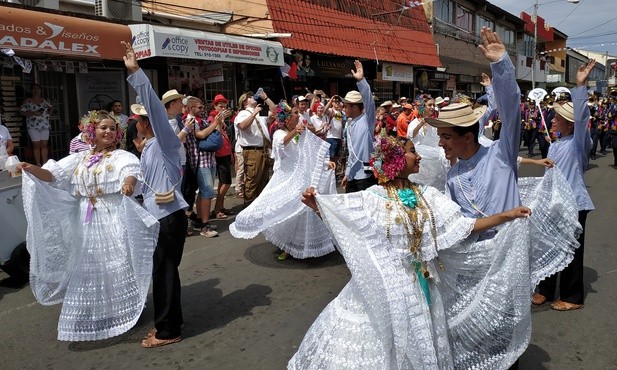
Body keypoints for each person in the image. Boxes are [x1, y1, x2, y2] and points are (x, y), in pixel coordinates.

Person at [289, 133, 577, 369]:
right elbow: (343, 220)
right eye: (413, 151)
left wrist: (506, 215)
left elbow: (463, 226)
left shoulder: (428, 195)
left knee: (422, 346)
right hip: (385, 288)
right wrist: (318, 207)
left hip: (423, 286)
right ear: (396, 160)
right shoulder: (370, 198)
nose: (420, 156)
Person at [17, 110, 158, 341]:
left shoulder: (121, 156)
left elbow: (131, 171)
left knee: (116, 260)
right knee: (89, 261)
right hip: (85, 218)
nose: (109, 132)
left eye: (113, 128)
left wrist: (128, 185)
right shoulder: (80, 159)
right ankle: (98, 308)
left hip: (112, 215)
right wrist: (32, 169)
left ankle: (125, 306)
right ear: (92, 130)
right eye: (103, 127)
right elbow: (54, 175)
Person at [123, 41, 189, 347]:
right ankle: (170, 321)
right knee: (165, 272)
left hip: (167, 217)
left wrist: (137, 73)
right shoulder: (150, 147)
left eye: (140, 117)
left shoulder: (165, 140)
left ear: (144, 121)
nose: (137, 121)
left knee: (163, 274)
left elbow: (155, 110)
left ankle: (167, 331)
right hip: (162, 216)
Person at [230, 102, 336, 260]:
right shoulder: (280, 133)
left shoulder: (298, 132)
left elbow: (306, 154)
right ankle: (286, 245)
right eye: (294, 114)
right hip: (287, 179)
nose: (297, 116)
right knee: (285, 211)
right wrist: (295, 131)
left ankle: (299, 245)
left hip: (299, 177)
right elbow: (281, 143)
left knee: (303, 210)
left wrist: (325, 163)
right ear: (287, 119)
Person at [532, 60, 596, 311]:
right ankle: (545, 290)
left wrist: (579, 87)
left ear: (570, 124)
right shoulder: (557, 144)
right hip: (553, 202)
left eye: (558, 117)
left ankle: (572, 296)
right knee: (549, 243)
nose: (553, 119)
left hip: (574, 203)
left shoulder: (579, 143)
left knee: (571, 249)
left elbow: (582, 118)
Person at [234, 89, 277, 204]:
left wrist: (266, 99)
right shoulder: (243, 113)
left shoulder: (259, 112)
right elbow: (242, 125)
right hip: (252, 151)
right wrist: (254, 113)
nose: (253, 97)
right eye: (249, 97)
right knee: (252, 180)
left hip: (263, 150)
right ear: (244, 102)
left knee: (263, 180)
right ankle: (248, 205)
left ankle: (258, 205)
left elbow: (274, 111)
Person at [341, 60, 376, 193]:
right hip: (352, 176)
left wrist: (361, 80)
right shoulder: (350, 124)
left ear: (355, 107)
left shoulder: (367, 121)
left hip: (365, 175)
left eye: (346, 106)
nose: (343, 109)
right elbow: (352, 153)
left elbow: (369, 102)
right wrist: (347, 173)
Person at [210, 94, 235, 220]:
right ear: (215, 106)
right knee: (226, 182)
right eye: (220, 106)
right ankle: (217, 209)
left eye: (224, 106)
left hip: (225, 152)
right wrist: (219, 120)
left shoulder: (220, 117)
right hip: (219, 153)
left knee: (223, 182)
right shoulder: (213, 117)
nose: (223, 108)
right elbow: (214, 132)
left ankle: (221, 206)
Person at [20, 84, 53, 165]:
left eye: (37, 89)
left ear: (40, 90)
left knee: (44, 144)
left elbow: (51, 107)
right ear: (31, 91)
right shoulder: (28, 101)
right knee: (36, 145)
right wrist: (31, 113)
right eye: (33, 89)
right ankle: (38, 163)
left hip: (44, 125)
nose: (35, 91)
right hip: (32, 126)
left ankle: (45, 163)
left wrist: (48, 113)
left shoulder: (44, 101)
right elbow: (21, 111)